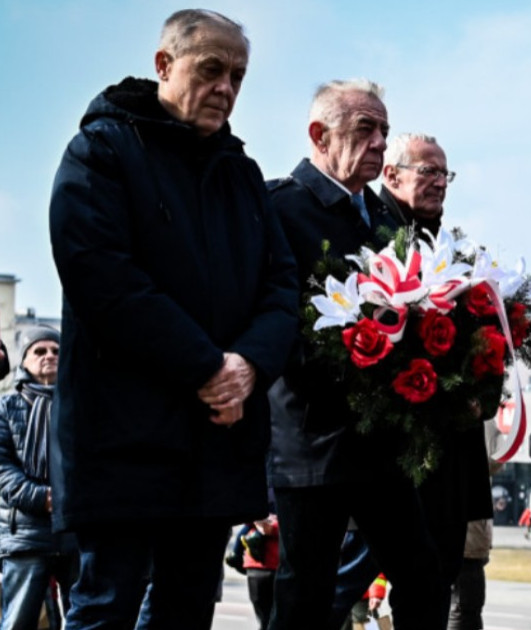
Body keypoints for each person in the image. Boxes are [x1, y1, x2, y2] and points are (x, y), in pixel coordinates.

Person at [48, 10, 298, 628]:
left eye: (238, 75)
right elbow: (102, 278)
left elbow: (283, 286)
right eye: (211, 69)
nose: (227, 88)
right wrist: (209, 365)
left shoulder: (240, 172)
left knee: (187, 610)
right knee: (106, 606)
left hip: (214, 439)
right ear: (164, 64)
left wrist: (249, 364)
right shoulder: (100, 151)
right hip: (123, 438)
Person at [266, 79, 447, 630]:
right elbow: (274, 319)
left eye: (384, 131)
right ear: (320, 135)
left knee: (423, 580)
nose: (379, 143)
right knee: (306, 595)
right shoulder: (280, 208)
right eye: (366, 128)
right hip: (313, 440)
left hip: (381, 439)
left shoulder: (388, 220)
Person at [327, 132, 494, 628]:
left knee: (432, 583)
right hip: (385, 448)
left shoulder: (447, 243)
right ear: (392, 175)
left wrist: (479, 385)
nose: (440, 183)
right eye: (429, 172)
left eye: (445, 174)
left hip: (446, 450)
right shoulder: (369, 234)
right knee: (341, 584)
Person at [0, 328, 78, 630]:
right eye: (40, 351)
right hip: (26, 535)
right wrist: (41, 497)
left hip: (76, 531)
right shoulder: (6, 407)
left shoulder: (81, 405)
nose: (49, 357)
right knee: (18, 621)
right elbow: (2, 467)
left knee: (88, 618)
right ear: (24, 361)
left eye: (56, 351)